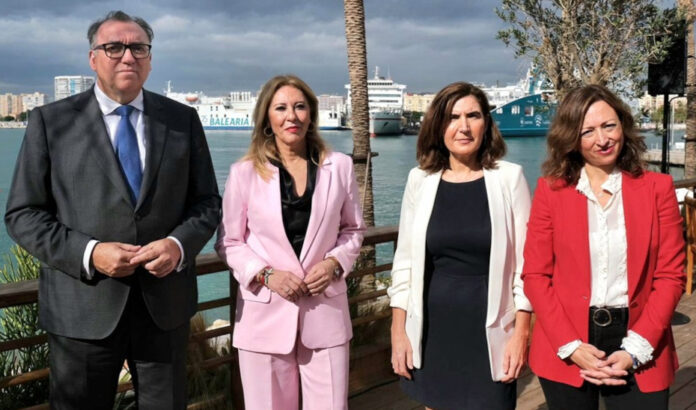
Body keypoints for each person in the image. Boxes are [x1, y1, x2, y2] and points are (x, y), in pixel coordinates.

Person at [4, 10, 221, 409]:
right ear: (93, 58)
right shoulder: (51, 122)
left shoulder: (182, 120)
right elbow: (23, 214)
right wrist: (90, 253)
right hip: (82, 310)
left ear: (150, 59)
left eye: (139, 48)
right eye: (114, 47)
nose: (128, 56)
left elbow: (207, 202)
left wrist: (178, 245)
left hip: (164, 309)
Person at [522, 84, 685, 410]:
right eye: (588, 131)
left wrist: (635, 349)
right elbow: (536, 275)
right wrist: (571, 345)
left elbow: (671, 276)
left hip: (641, 338)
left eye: (609, 125)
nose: (602, 139)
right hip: (568, 341)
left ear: (623, 125)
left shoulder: (658, 188)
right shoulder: (551, 192)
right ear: (571, 138)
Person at [215, 74, 365, 410]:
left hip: (325, 312)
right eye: (281, 108)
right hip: (264, 317)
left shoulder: (339, 166)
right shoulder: (244, 172)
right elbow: (228, 241)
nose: (291, 116)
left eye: (299, 107)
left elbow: (354, 229)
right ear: (266, 117)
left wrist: (334, 263)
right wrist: (266, 274)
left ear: (311, 114)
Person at [388, 82, 533, 409]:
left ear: (486, 123)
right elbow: (405, 263)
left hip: (491, 329)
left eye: (473, 116)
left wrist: (521, 334)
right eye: (453, 117)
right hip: (432, 328)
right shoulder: (419, 180)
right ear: (438, 126)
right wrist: (398, 332)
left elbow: (527, 266)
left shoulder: (510, 178)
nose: (463, 127)